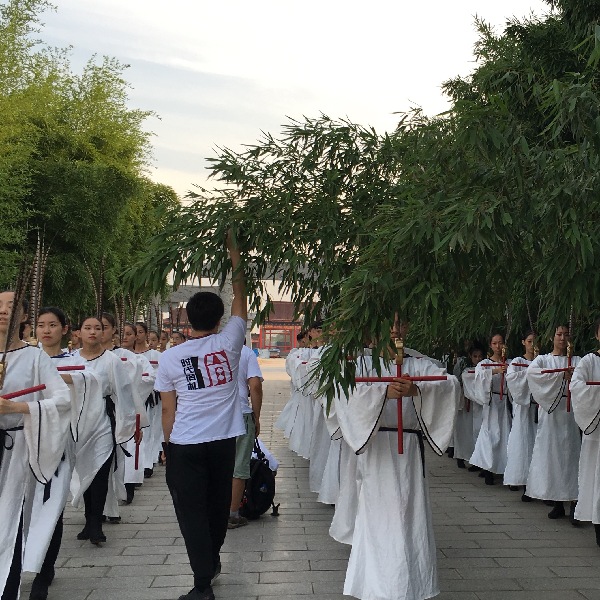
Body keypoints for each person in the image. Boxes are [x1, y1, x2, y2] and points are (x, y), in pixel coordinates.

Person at [156, 233, 247, 600]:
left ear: (188, 319)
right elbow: (240, 295)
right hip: (223, 442)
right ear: (220, 318)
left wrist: (167, 446)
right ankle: (212, 561)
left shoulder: (170, 358)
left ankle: (202, 583)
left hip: (186, 443)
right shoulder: (230, 342)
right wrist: (234, 251)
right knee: (217, 506)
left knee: (190, 512)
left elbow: (168, 408)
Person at [335, 346, 460, 600]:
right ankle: (375, 586)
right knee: (378, 516)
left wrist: (417, 390)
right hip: (377, 449)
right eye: (390, 325)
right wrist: (383, 393)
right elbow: (345, 391)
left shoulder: (418, 363)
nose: (395, 330)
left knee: (408, 515)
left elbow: (451, 384)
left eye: (400, 325)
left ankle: (409, 584)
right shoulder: (363, 363)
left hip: (409, 451)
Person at [23, 307, 101, 600]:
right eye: (41, 325)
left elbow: (91, 382)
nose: (46, 330)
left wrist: (63, 379)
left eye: (53, 325)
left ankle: (44, 573)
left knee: (52, 505)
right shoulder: (27, 359)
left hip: (59, 442)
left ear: (66, 329)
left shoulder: (75, 362)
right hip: (25, 442)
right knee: (23, 508)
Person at [0, 292, 71, 600]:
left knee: (10, 517)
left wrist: (17, 408)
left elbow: (62, 400)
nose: (3, 310)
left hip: (16, 447)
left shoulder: (34, 357)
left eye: (11, 306)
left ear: (24, 316)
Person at [69, 316, 141, 542]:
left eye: (97, 328)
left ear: (104, 333)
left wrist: (128, 424)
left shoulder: (112, 360)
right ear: (78, 332)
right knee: (84, 471)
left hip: (102, 420)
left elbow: (124, 392)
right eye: (87, 328)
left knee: (100, 471)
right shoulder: (71, 359)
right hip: (77, 422)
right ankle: (88, 519)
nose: (92, 332)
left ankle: (96, 523)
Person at [526, 324, 581, 522]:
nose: (562, 338)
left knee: (572, 457)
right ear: (552, 337)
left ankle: (575, 504)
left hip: (571, 414)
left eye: (566, 334)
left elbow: (584, 378)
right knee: (553, 457)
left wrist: (574, 377)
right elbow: (533, 375)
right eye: (559, 334)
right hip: (551, 413)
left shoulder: (577, 360)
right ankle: (557, 502)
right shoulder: (543, 360)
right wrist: (559, 376)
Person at [570, 318, 600, 546]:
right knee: (595, 478)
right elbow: (576, 385)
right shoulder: (589, 361)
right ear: (597, 335)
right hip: (596, 429)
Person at [470, 333, 513, 485]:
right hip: (492, 401)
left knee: (505, 433)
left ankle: (505, 468)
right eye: (495, 343)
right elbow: (479, 377)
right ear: (490, 345)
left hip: (505, 401)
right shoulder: (485, 363)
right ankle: (488, 468)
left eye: (500, 343)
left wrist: (508, 371)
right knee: (490, 434)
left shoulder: (510, 363)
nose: (498, 346)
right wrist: (495, 371)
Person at [228, 344, 263, 529]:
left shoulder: (206, 349)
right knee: (239, 465)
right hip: (240, 414)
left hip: (212, 417)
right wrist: (256, 417)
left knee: (215, 465)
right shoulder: (246, 353)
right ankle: (232, 515)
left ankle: (213, 511)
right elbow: (255, 386)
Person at [504, 331, 538, 500]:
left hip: (540, 408)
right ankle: (524, 483)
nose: (533, 345)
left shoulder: (542, 360)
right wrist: (531, 374)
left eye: (536, 341)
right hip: (524, 409)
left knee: (539, 446)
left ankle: (538, 484)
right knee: (524, 444)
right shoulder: (517, 362)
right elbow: (513, 380)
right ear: (523, 342)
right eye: (530, 341)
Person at [453, 343, 485, 469]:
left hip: (480, 406)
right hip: (467, 404)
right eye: (475, 356)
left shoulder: (485, 370)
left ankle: (476, 460)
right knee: (464, 431)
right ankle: (460, 456)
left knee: (477, 431)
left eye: (480, 356)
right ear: (470, 357)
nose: (478, 359)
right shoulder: (466, 371)